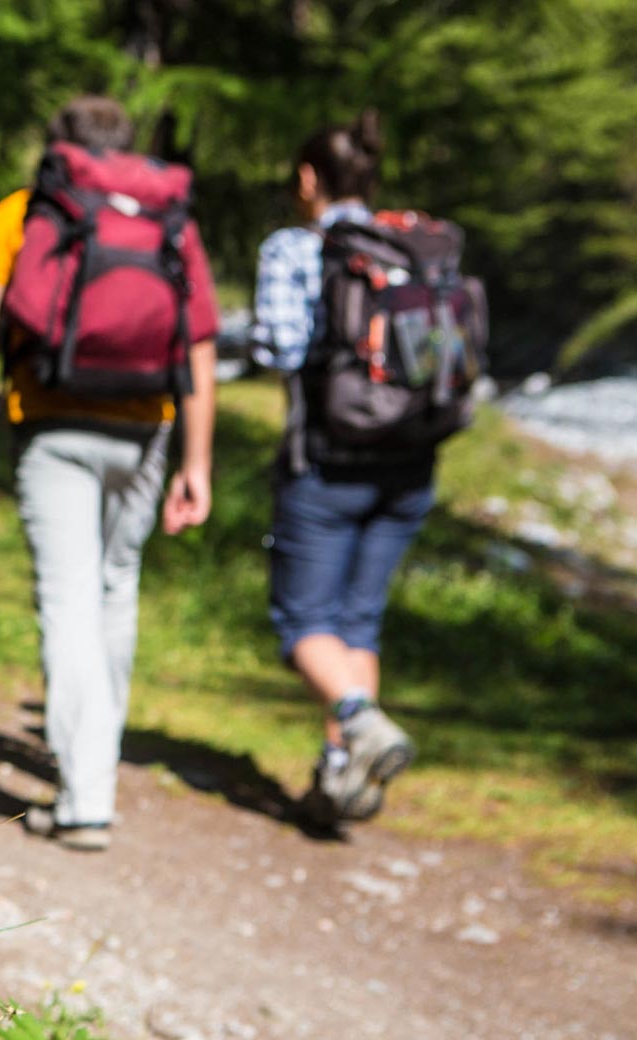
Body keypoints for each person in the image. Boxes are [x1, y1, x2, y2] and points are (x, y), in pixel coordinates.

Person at [0, 97, 220, 852]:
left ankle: (86, 793)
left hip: (53, 422)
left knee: (68, 602)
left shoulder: (24, 213)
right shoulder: (170, 221)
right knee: (113, 590)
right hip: (147, 428)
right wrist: (197, 461)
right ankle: (97, 767)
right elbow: (198, 345)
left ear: (59, 149)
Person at [251, 110, 426, 828]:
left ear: (307, 177)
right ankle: (340, 782)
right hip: (411, 464)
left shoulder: (294, 248)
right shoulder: (413, 247)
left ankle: (358, 722)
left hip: (325, 462)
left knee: (301, 623)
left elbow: (278, 349)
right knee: (358, 624)